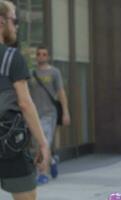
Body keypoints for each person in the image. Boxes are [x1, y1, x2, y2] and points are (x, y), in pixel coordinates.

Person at [0, 1, 50, 199]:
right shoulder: (11, 58)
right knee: (26, 196)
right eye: (15, 20)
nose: (17, 26)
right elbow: (25, 103)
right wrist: (43, 143)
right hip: (8, 144)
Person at [28, 45, 70, 184]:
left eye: (44, 54)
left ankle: (42, 173)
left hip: (49, 114)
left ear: (48, 56)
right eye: (39, 54)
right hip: (34, 115)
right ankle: (51, 161)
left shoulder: (54, 72)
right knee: (35, 145)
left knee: (43, 143)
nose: (41, 56)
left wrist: (65, 112)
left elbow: (61, 93)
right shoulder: (31, 73)